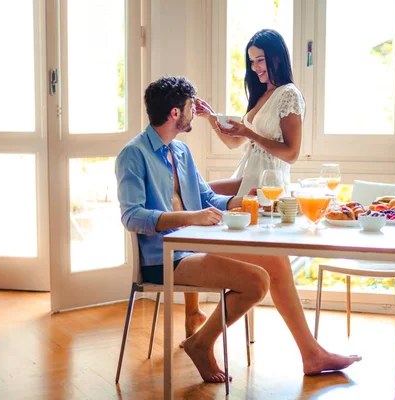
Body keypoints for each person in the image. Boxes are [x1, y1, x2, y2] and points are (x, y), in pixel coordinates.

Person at [116, 76, 361, 384]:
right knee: (257, 281)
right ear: (176, 114)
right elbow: (132, 216)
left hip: (197, 244)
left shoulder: (180, 152)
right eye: (190, 107)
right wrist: (192, 218)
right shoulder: (133, 154)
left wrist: (243, 200)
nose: (194, 112)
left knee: (275, 259)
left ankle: (311, 353)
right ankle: (201, 343)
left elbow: (206, 197)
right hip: (164, 258)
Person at [195, 29, 304, 197]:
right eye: (252, 61)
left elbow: (292, 154)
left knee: (198, 193)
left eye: (260, 60)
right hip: (248, 177)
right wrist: (210, 117)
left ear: (276, 58)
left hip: (268, 186)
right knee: (196, 191)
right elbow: (234, 143)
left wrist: (250, 133)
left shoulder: (289, 95)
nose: (254, 67)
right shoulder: (262, 95)